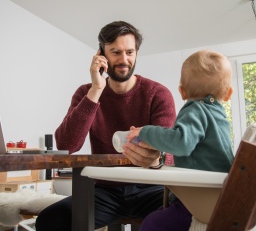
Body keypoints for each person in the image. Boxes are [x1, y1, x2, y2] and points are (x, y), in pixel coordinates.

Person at [35, 20, 179, 231]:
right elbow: (67, 144)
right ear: (101, 55)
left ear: (137, 53)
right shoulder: (86, 93)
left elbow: (171, 149)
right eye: (115, 52)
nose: (124, 60)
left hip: (151, 188)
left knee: (185, 217)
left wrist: (158, 156)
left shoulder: (158, 93)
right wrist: (95, 90)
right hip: (104, 190)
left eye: (130, 52)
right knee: (50, 220)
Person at [126, 50, 235, 231]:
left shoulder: (196, 110)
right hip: (219, 196)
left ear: (182, 92)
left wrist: (145, 132)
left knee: (151, 224)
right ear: (228, 94)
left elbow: (181, 142)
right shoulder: (219, 115)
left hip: (200, 201)